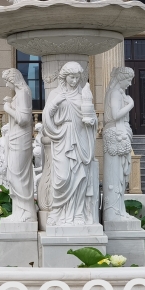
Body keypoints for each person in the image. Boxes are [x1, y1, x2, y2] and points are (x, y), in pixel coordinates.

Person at [42, 61, 99, 227]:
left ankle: (78, 214)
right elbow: (46, 116)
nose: (74, 81)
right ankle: (57, 212)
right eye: (71, 77)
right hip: (63, 136)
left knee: (81, 177)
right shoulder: (56, 93)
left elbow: (92, 116)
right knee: (62, 177)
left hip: (81, 137)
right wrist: (55, 103)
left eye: (77, 78)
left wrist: (91, 121)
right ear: (64, 77)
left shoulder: (84, 94)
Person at [1, 68, 36, 223]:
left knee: (18, 175)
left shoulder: (23, 93)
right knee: (14, 174)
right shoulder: (20, 93)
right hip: (16, 137)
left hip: (21, 138)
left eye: (7, 81)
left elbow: (23, 119)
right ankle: (19, 211)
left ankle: (27, 212)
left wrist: (7, 108)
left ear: (13, 80)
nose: (6, 84)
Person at [102, 67, 135, 222]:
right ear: (121, 79)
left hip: (120, 133)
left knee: (121, 176)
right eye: (128, 80)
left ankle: (119, 210)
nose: (130, 83)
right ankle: (114, 212)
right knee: (116, 175)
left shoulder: (119, 93)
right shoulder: (115, 93)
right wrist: (131, 104)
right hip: (116, 134)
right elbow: (115, 115)